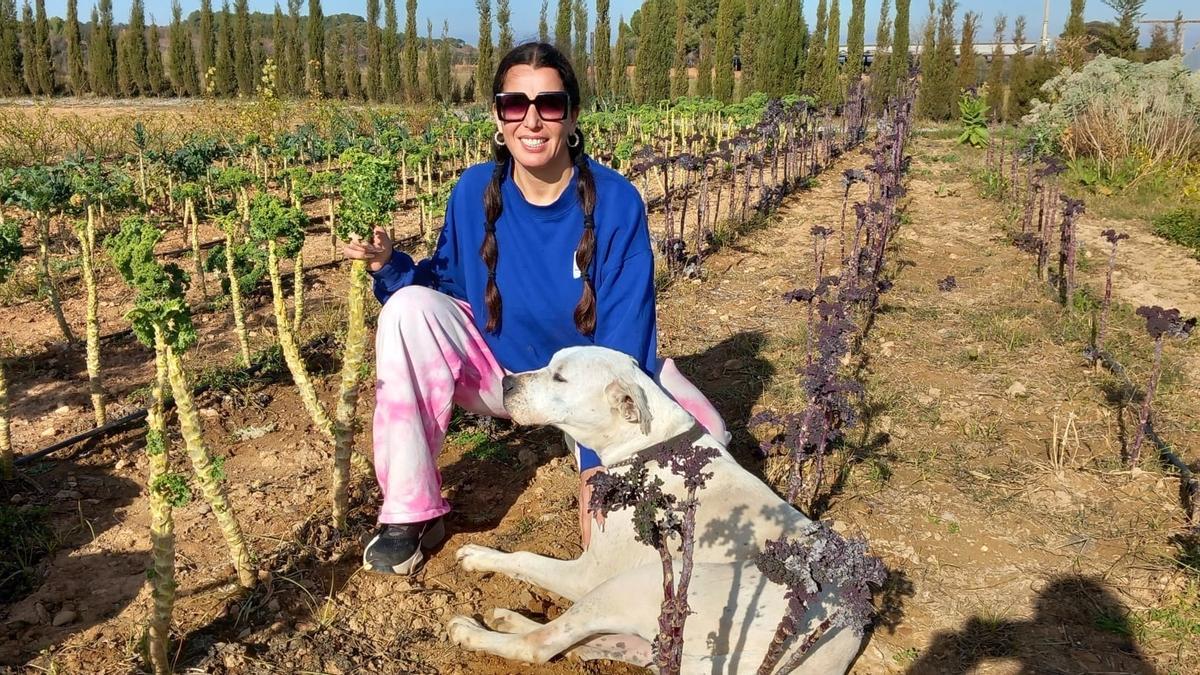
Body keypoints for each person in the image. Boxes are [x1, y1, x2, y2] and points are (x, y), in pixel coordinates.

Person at [344, 42, 728, 576]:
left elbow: (625, 341)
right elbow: (448, 283)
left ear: (571, 115)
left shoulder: (616, 203)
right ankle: (410, 512)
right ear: (497, 117)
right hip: (500, 378)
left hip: (584, 382)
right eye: (513, 104)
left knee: (704, 435)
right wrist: (391, 268)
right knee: (407, 308)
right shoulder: (475, 191)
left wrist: (602, 466)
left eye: (548, 104)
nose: (531, 119)